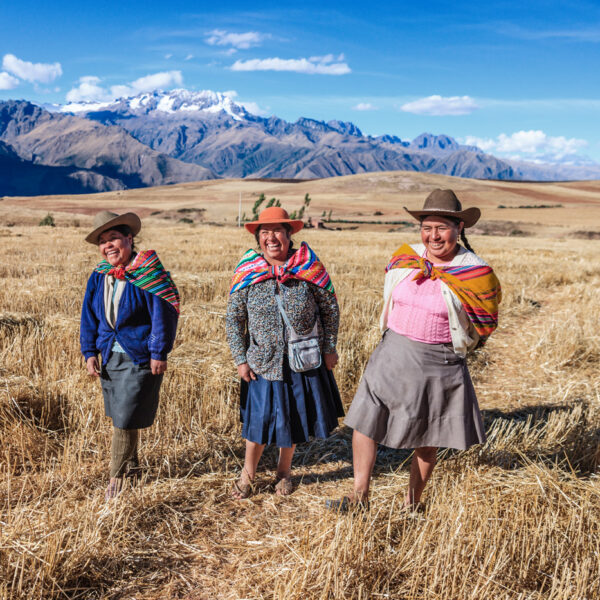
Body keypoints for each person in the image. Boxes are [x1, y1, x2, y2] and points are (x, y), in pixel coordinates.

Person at [328, 189, 501, 512]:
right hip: (391, 354)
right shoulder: (405, 258)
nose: (433, 236)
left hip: (439, 363)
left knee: (427, 436)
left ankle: (412, 503)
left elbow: (486, 321)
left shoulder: (475, 273)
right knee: (366, 423)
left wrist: (459, 345)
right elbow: (389, 293)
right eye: (427, 227)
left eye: (441, 228)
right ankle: (359, 495)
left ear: (458, 229)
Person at [226, 206, 344, 498]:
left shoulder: (308, 268)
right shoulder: (248, 273)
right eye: (264, 233)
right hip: (262, 362)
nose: (271, 238)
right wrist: (240, 359)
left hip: (301, 360)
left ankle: (283, 473)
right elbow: (233, 318)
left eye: (278, 231)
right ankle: (247, 475)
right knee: (258, 423)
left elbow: (330, 309)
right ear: (258, 239)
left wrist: (329, 348)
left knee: (289, 421)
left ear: (289, 235)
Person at [80, 211, 180, 500]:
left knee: (124, 418)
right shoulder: (99, 275)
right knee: (122, 416)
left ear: (129, 239)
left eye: (114, 238)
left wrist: (159, 351)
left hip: (139, 356)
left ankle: (117, 479)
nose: (108, 246)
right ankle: (133, 469)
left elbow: (163, 315)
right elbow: (88, 316)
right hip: (110, 355)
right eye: (103, 241)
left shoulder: (149, 273)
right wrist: (89, 352)